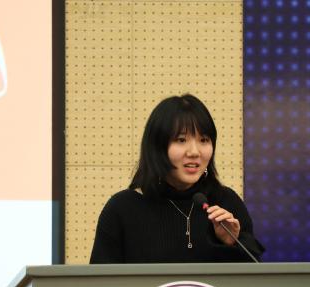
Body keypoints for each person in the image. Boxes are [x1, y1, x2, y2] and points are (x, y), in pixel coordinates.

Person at [89, 94, 264, 263]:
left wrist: (231, 243)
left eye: (204, 140)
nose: (194, 152)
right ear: (157, 147)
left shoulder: (227, 203)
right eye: (181, 140)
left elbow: (255, 278)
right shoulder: (122, 209)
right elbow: (101, 281)